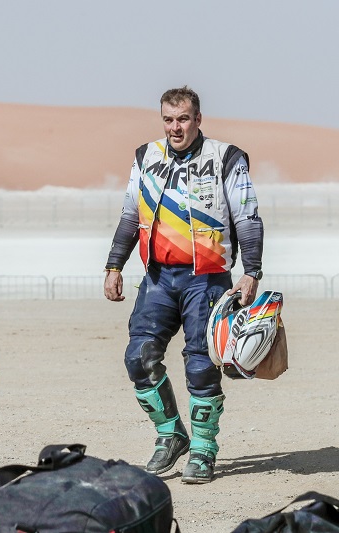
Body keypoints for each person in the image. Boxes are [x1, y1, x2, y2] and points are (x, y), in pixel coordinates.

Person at [103, 86, 264, 484]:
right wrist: (114, 265)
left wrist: (252, 271)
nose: (175, 127)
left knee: (201, 364)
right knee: (138, 357)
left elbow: (247, 217)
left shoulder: (226, 158)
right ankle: (171, 434)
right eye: (168, 120)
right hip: (158, 277)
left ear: (198, 119)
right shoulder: (146, 156)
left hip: (207, 279)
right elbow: (129, 215)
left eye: (183, 119)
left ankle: (204, 450)